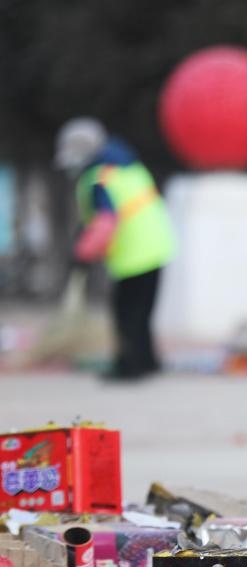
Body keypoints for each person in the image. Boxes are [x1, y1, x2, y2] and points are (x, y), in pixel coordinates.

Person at [55, 117, 175, 380]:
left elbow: (105, 222)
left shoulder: (99, 177)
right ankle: (147, 362)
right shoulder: (126, 166)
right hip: (157, 244)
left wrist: (83, 254)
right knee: (142, 312)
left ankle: (129, 367)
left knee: (126, 313)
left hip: (135, 252)